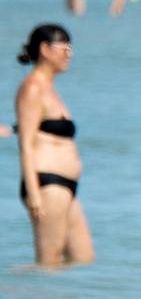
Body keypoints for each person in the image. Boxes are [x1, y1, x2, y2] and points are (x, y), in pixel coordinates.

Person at [15, 23, 90, 265]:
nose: (69, 55)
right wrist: (34, 194)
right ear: (45, 49)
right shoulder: (32, 88)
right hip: (46, 185)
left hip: (66, 187)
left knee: (83, 258)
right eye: (64, 48)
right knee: (48, 264)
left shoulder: (50, 88)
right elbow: (25, 144)